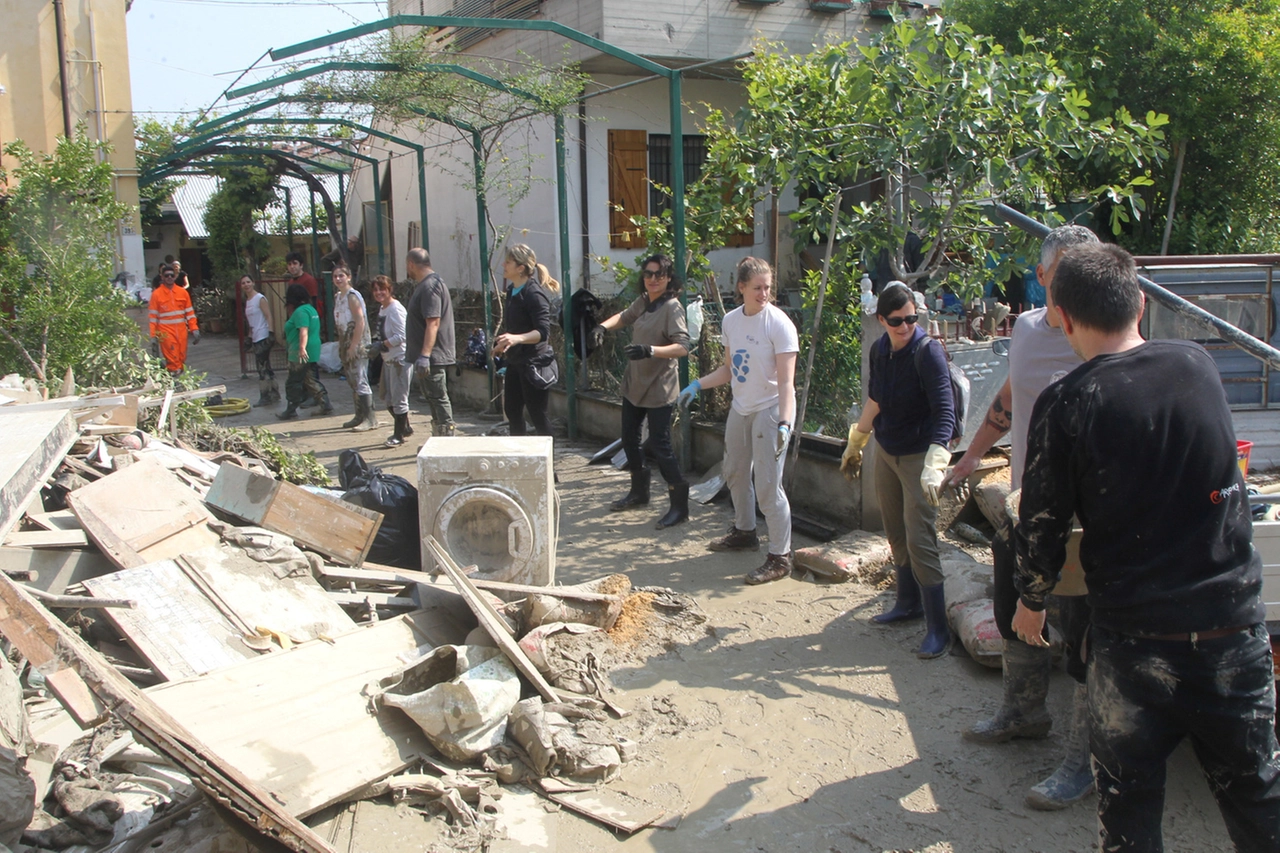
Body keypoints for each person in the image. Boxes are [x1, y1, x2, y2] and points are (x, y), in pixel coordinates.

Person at [1011, 243, 1280, 853]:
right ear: (1138, 303)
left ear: (1064, 317)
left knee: (1129, 809)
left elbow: (1043, 523)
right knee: (1258, 800)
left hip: (1135, 649)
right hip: (1231, 636)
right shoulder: (1198, 366)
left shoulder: (1068, 402)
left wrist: (1032, 602)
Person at [940, 224, 1100, 810]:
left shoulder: (1105, 338)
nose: (1070, 290)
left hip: (1083, 519)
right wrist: (971, 457)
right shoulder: (1030, 331)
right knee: (1013, 610)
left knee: (1082, 634)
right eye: (1061, 277)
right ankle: (1023, 712)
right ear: (1042, 277)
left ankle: (1082, 761)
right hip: (1023, 502)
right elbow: (1011, 399)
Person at [840, 281, 955, 658]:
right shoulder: (879, 350)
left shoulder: (928, 353)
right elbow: (876, 399)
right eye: (896, 321)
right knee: (894, 530)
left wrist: (936, 464)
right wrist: (857, 441)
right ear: (881, 320)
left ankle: (939, 629)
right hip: (887, 449)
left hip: (921, 455)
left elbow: (945, 414)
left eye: (911, 319)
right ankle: (908, 603)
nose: (905, 327)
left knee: (921, 538)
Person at [678, 257, 798, 585]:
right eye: (757, 288)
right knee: (734, 472)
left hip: (772, 408)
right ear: (741, 288)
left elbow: (787, 383)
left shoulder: (779, 324)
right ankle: (745, 532)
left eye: (768, 288)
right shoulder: (731, 322)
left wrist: (785, 423)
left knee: (768, 486)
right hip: (741, 407)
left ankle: (780, 556)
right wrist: (696, 384)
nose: (764, 294)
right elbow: (730, 370)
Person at [592, 254, 691, 529]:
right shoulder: (646, 301)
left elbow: (683, 347)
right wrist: (602, 326)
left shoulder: (672, 307)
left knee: (660, 445)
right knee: (629, 438)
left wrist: (650, 350)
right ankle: (639, 492)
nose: (653, 279)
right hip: (635, 383)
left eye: (659, 274)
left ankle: (679, 506)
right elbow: (624, 317)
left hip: (659, 385)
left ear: (669, 278)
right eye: (648, 274)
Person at [493, 245, 559, 439]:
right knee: (512, 411)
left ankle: (548, 466)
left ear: (521, 268)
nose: (503, 265)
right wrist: (504, 343)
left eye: (508, 262)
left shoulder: (534, 294)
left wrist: (517, 338)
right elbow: (517, 328)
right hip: (516, 361)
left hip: (534, 363)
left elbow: (543, 332)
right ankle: (520, 458)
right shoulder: (513, 291)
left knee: (538, 414)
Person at [404, 248, 458, 436]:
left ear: (411, 264)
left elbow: (433, 322)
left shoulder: (430, 287)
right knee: (433, 397)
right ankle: (439, 437)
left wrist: (425, 355)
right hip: (428, 355)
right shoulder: (427, 284)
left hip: (433, 355)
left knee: (438, 396)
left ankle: (446, 438)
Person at [332, 264, 377, 432]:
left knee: (360, 378)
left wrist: (354, 345)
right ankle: (359, 415)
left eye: (341, 275)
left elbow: (360, 321)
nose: (338, 279)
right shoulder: (339, 297)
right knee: (352, 380)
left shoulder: (352, 296)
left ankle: (370, 418)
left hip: (357, 342)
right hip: (345, 340)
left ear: (348, 277)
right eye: (335, 276)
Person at [277, 283, 332, 419]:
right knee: (310, 378)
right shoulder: (311, 309)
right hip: (312, 349)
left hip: (300, 351)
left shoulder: (300, 312)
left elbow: (303, 330)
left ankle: (291, 409)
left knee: (293, 381)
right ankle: (325, 404)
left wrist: (301, 348)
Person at [371, 275, 413, 447]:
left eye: (382, 289)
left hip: (399, 359)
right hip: (387, 359)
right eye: (375, 290)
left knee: (398, 399)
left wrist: (383, 344)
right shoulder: (383, 309)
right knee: (386, 397)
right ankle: (406, 427)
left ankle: (398, 435)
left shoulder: (396, 309)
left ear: (390, 290)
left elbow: (403, 335)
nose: (379, 293)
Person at [147, 264, 199, 375]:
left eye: (172, 275)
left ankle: (177, 377)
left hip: (181, 331)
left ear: (175, 276)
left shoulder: (183, 293)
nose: (169, 277)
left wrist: (194, 328)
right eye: (166, 275)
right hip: (165, 332)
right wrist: (153, 336)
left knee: (181, 357)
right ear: (162, 277)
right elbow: (153, 318)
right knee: (172, 357)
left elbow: (189, 313)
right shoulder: (156, 295)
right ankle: (174, 378)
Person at [240, 274, 279, 407]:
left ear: (253, 283)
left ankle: (265, 395)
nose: (246, 285)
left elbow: (268, 315)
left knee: (261, 367)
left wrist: (271, 333)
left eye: (248, 282)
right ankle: (274, 392)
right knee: (266, 366)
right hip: (255, 336)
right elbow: (251, 322)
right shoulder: (248, 301)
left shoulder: (260, 298)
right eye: (243, 283)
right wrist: (249, 338)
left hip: (263, 335)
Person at [286, 252, 324, 318]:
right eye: (289, 264)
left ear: (301, 265)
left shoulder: (309, 280)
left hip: (306, 317)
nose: (292, 266)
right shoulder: (291, 282)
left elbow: (314, 301)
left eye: (295, 263)